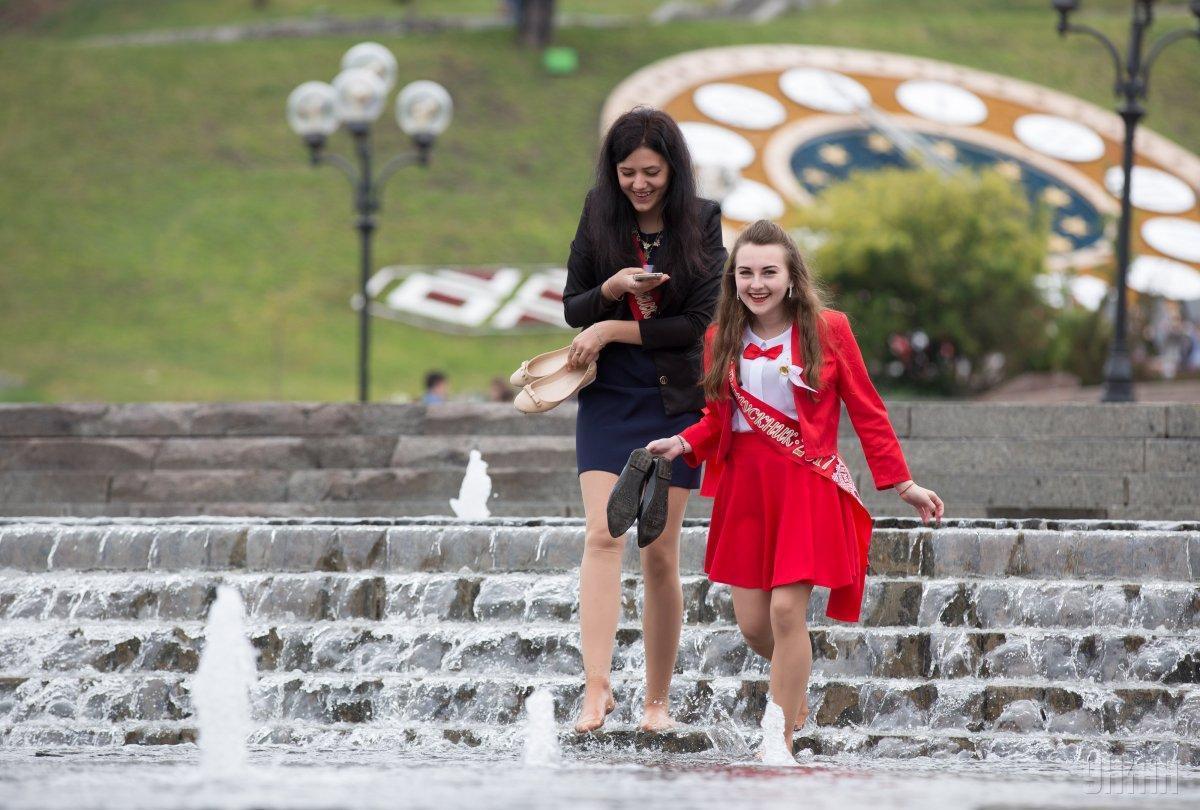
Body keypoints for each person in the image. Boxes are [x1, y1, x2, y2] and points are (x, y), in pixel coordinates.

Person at [646, 219, 944, 754]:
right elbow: (718, 421)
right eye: (745, 273)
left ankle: (778, 740)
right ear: (733, 279)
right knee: (754, 626)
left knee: (787, 613)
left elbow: (867, 410)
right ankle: (795, 686)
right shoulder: (721, 337)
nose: (756, 283)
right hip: (745, 490)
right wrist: (684, 443)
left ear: (791, 276)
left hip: (804, 485)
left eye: (768, 272)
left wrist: (903, 484)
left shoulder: (828, 329)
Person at [562, 107, 727, 733]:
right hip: (609, 397)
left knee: (658, 551)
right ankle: (596, 690)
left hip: (674, 398)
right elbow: (572, 305)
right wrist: (607, 291)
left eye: (651, 172)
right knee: (602, 538)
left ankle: (656, 700)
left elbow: (700, 323)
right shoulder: (598, 213)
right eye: (627, 172)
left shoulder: (703, 221)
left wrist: (612, 326)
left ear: (673, 169)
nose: (639, 184)